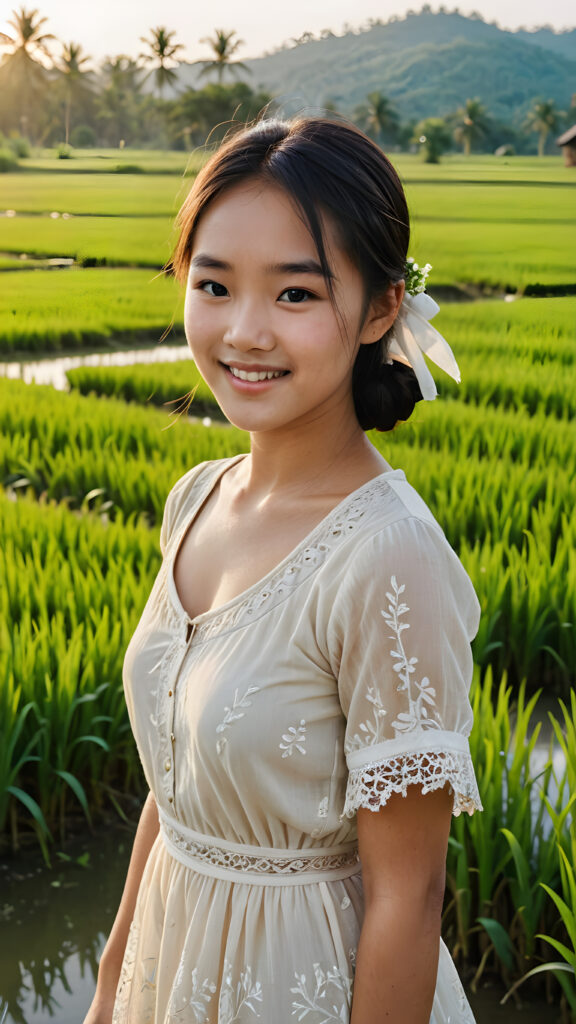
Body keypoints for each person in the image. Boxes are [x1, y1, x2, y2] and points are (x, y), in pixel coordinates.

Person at [85, 116, 482, 1024]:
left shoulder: (389, 557)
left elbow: (408, 899)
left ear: (382, 308)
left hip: (299, 987)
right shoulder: (196, 499)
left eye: (295, 295)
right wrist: (110, 987)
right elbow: (176, 787)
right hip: (168, 966)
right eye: (214, 284)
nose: (243, 331)